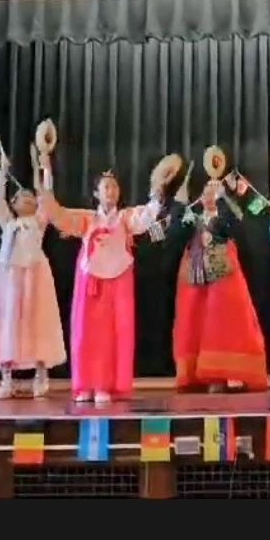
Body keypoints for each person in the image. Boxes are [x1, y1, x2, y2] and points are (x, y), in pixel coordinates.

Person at [39, 155, 172, 408]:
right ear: (96, 193)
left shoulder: (125, 218)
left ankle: (106, 385)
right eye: (105, 187)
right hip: (91, 282)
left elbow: (147, 216)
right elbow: (56, 213)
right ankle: (85, 384)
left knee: (113, 334)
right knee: (86, 333)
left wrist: (157, 192)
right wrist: (47, 173)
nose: (110, 191)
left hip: (118, 280)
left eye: (114, 187)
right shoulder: (87, 219)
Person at [0, 145, 68, 401]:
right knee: (7, 325)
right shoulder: (8, 222)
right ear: (13, 204)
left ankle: (41, 375)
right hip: (8, 278)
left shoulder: (39, 221)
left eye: (30, 197)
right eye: (20, 196)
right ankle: (7, 379)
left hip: (35, 277)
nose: (26, 198)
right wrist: (2, 174)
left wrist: (45, 168)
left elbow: (47, 194)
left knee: (38, 323)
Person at [171, 170, 270, 394]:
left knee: (227, 319)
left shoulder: (227, 215)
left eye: (214, 192)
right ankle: (204, 374)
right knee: (196, 320)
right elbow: (174, 230)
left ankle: (230, 371)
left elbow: (233, 226)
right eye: (206, 192)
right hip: (195, 275)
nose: (209, 196)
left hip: (224, 272)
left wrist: (224, 198)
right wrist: (178, 204)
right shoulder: (193, 218)